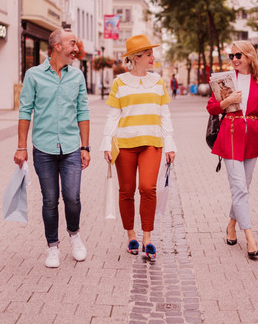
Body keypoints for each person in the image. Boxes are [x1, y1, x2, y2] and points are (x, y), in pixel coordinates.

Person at [14, 28, 91, 268]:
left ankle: (74, 235)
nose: (76, 48)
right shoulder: (33, 75)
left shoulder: (77, 76)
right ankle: (53, 247)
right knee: (49, 200)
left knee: (72, 197)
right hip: (44, 149)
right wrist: (21, 147)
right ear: (57, 46)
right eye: (72, 43)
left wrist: (85, 147)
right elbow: (25, 111)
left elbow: (83, 112)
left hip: (70, 148)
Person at [100, 35, 176, 259]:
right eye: (149, 54)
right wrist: (106, 142)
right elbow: (113, 116)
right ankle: (131, 235)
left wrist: (170, 145)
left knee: (148, 188)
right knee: (126, 191)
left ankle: (148, 238)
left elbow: (165, 114)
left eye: (152, 54)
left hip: (152, 142)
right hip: (124, 144)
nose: (153, 57)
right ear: (136, 58)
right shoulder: (119, 83)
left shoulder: (158, 81)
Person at [206, 41, 258, 260]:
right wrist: (228, 101)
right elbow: (211, 107)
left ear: (249, 56)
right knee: (239, 187)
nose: (234, 59)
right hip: (231, 134)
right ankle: (250, 236)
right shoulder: (225, 80)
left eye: (238, 55)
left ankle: (231, 225)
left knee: (244, 186)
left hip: (252, 137)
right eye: (231, 55)